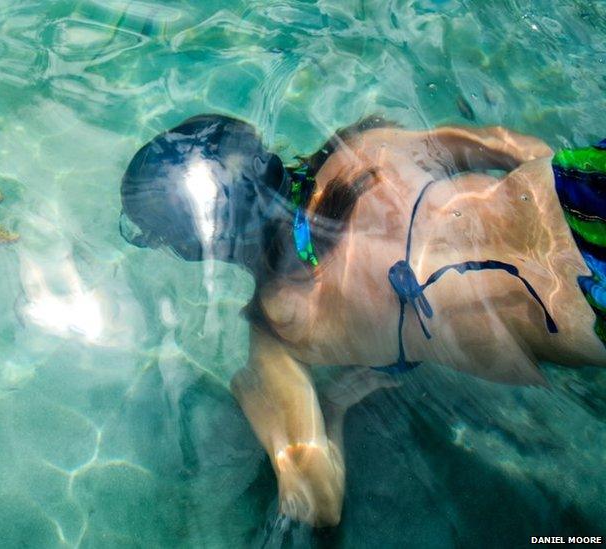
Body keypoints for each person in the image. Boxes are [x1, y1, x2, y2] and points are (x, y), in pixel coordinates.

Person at [118, 114, 606, 526]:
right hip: (576, 182)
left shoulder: (281, 330)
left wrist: (332, 402)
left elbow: (317, 500)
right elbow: (506, 144)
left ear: (194, 248)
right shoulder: (365, 144)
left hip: (589, 306)